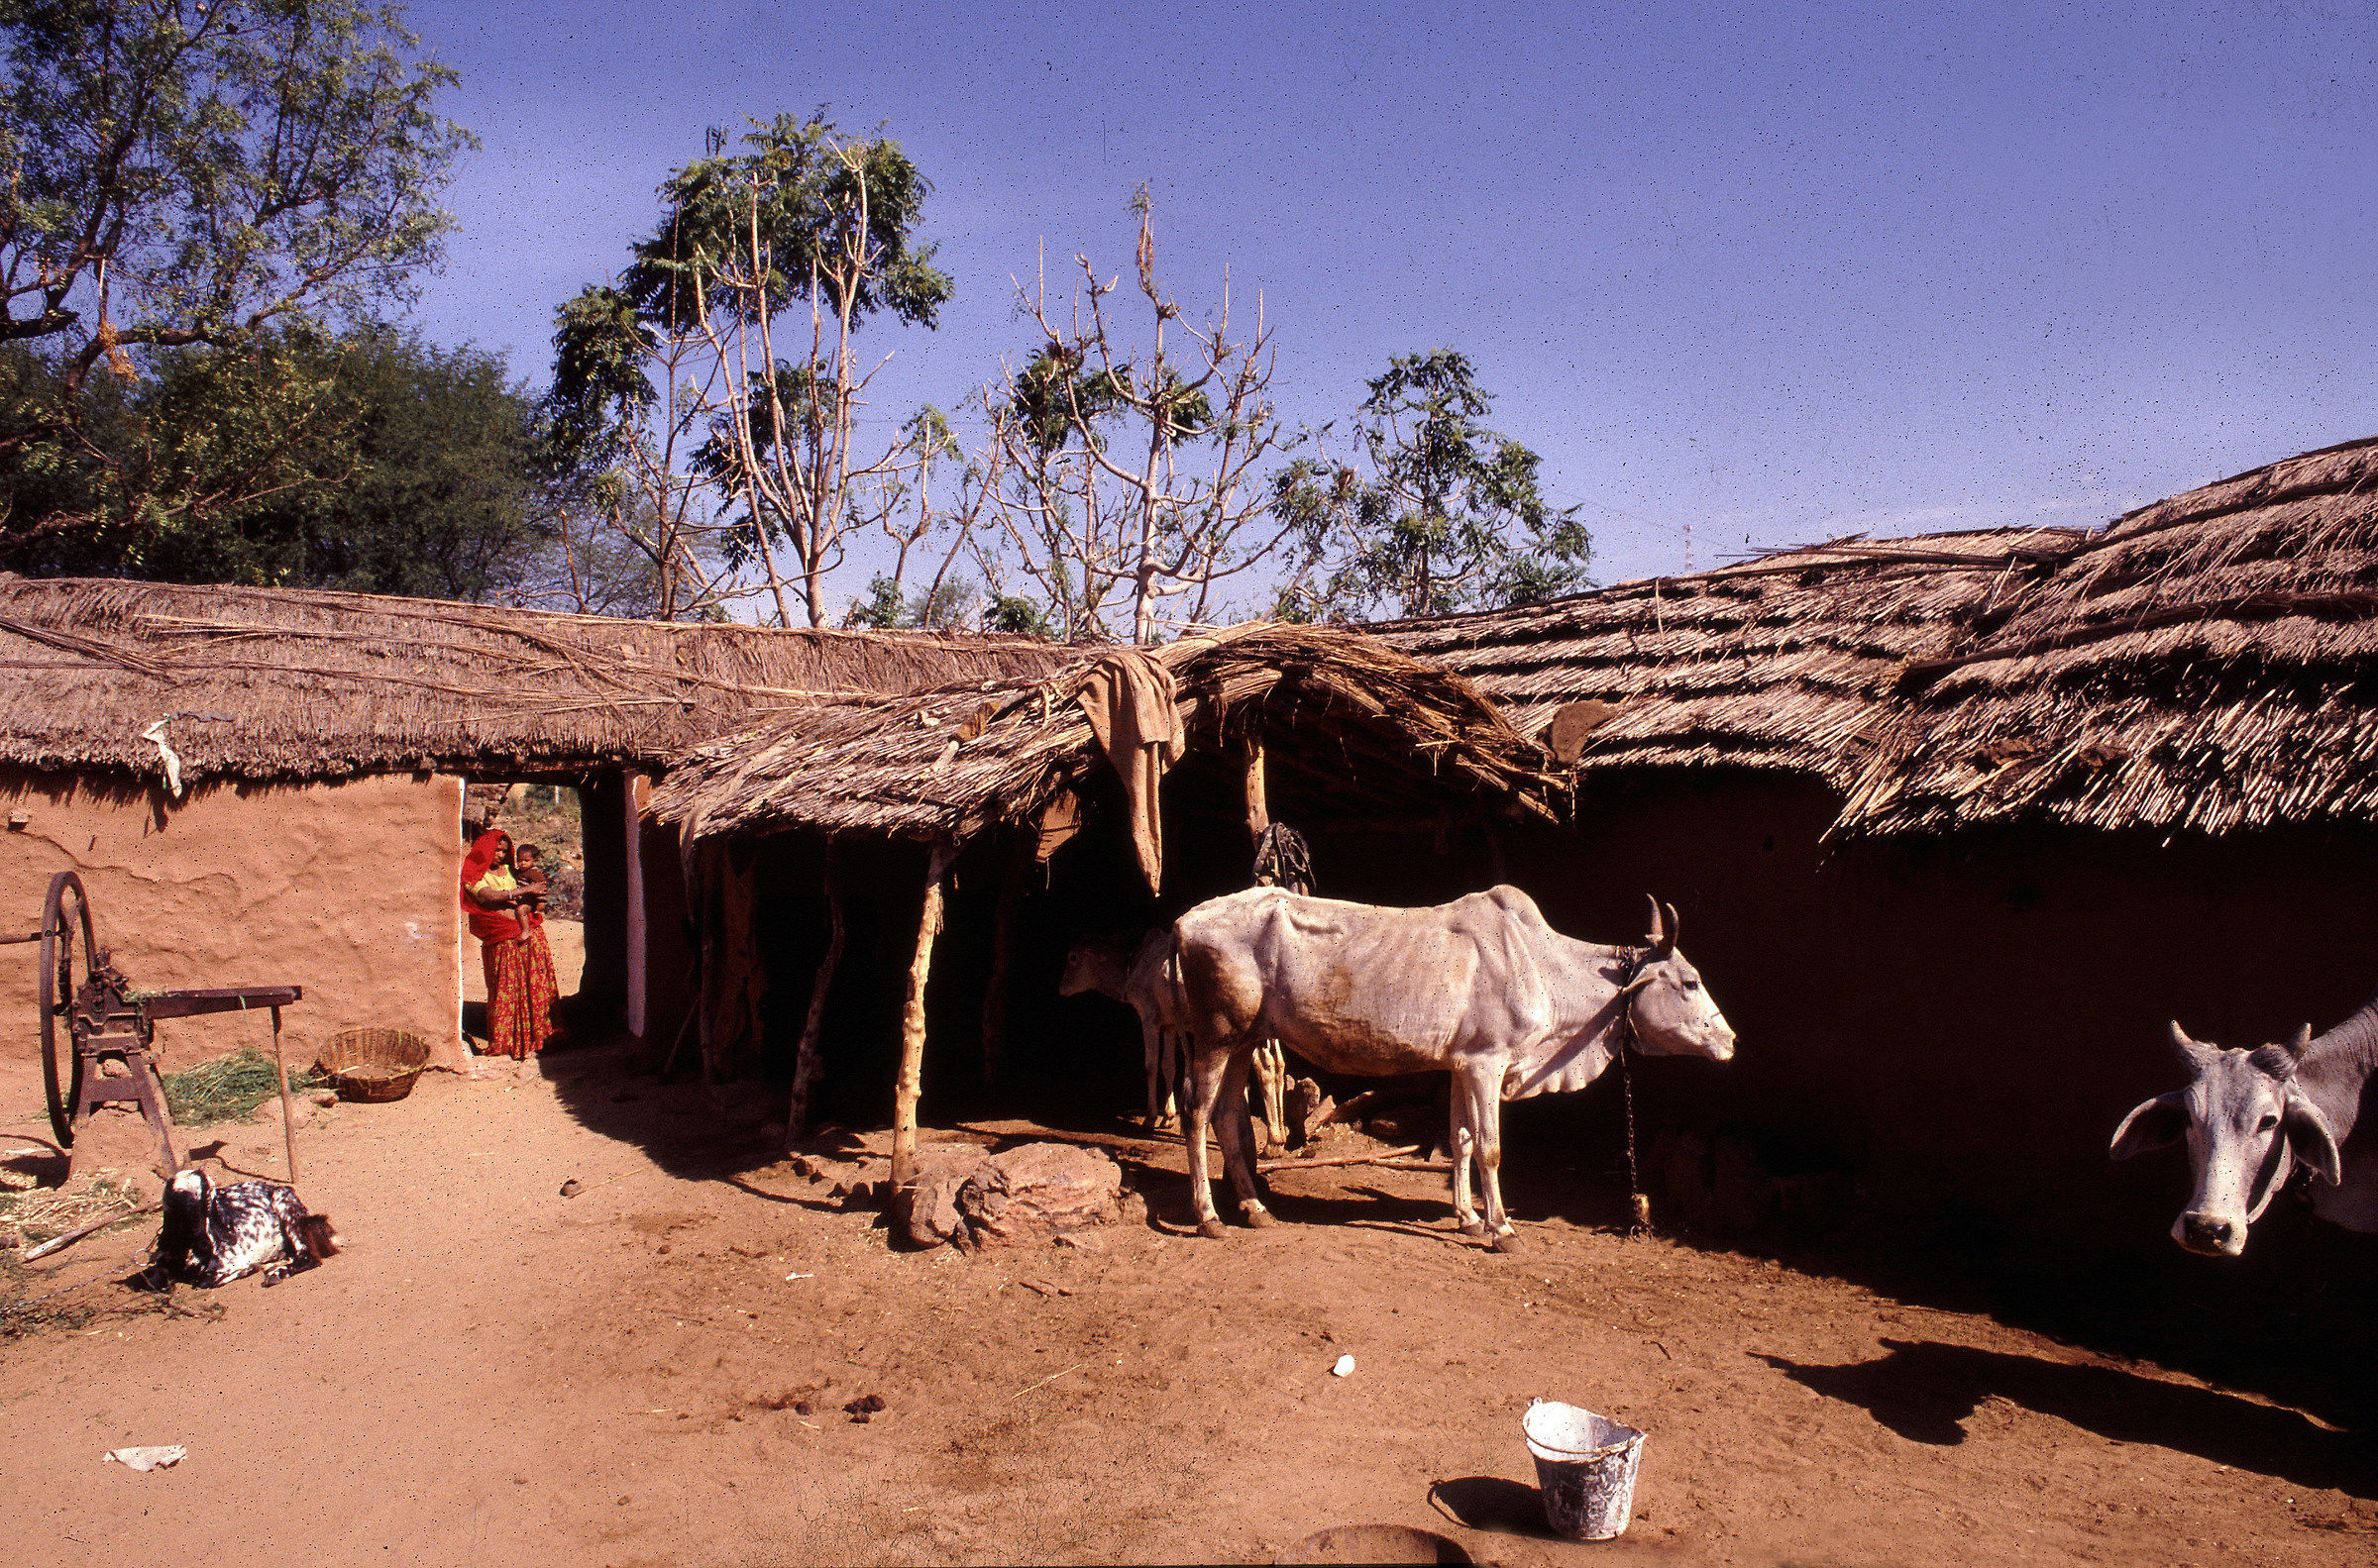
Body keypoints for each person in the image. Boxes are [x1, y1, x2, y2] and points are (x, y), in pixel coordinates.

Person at [461, 830, 559, 1061]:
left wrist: (534, 892)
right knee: (506, 986)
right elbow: (490, 897)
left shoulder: (513, 872)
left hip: (527, 933)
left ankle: (537, 1038)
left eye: (505, 851)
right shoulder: (475, 876)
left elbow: (535, 888)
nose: (501, 855)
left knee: (532, 984)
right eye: (496, 850)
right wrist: (526, 890)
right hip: (501, 937)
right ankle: (509, 1040)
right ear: (486, 850)